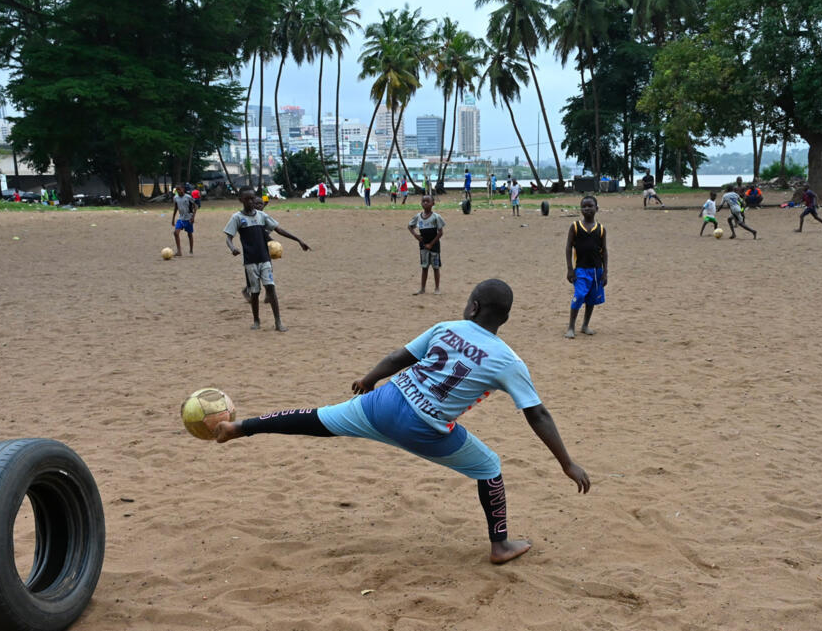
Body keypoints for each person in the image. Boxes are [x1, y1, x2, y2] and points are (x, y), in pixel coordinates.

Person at [210, 279, 591, 564]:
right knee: (489, 467)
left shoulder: (446, 328)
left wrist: (369, 378)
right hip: (423, 427)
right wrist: (566, 463)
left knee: (317, 419)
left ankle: (240, 427)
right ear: (502, 319)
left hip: (383, 402)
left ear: (473, 307)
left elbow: (399, 357)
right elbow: (536, 413)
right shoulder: (509, 360)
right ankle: (500, 545)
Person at [224, 187, 311, 331]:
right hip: (250, 261)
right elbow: (228, 237)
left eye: (252, 198)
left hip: (265, 259)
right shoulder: (237, 218)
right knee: (255, 292)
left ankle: (278, 321)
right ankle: (256, 320)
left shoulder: (262, 216)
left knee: (271, 289)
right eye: (247, 199)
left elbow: (279, 229)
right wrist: (232, 248)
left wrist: (298, 240)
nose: (251, 201)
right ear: (241, 200)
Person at [564, 196, 607, 338]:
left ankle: (585, 325)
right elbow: (569, 247)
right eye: (584, 206)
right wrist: (570, 268)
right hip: (580, 269)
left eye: (590, 206)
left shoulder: (601, 229)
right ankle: (571, 326)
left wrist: (605, 272)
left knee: (591, 298)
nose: (587, 209)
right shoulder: (575, 226)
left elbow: (604, 251)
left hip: (596, 270)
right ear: (581, 209)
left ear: (597, 208)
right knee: (580, 295)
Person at [408, 194, 445, 296]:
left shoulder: (436, 217)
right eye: (423, 201)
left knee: (435, 267)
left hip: (434, 246)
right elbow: (410, 226)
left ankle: (437, 288)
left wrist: (431, 244)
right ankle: (422, 288)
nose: (425, 203)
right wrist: (416, 235)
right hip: (423, 246)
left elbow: (440, 232)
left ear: (433, 203)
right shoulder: (418, 217)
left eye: (427, 201)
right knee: (424, 267)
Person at [171, 184, 196, 256]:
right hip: (181, 219)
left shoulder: (188, 197)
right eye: (177, 190)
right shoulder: (175, 198)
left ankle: (191, 250)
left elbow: (195, 207)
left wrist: (193, 217)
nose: (178, 191)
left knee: (189, 234)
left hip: (188, 219)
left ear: (183, 189)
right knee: (176, 233)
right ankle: (179, 251)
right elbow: (175, 208)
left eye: (180, 189)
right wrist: (173, 219)